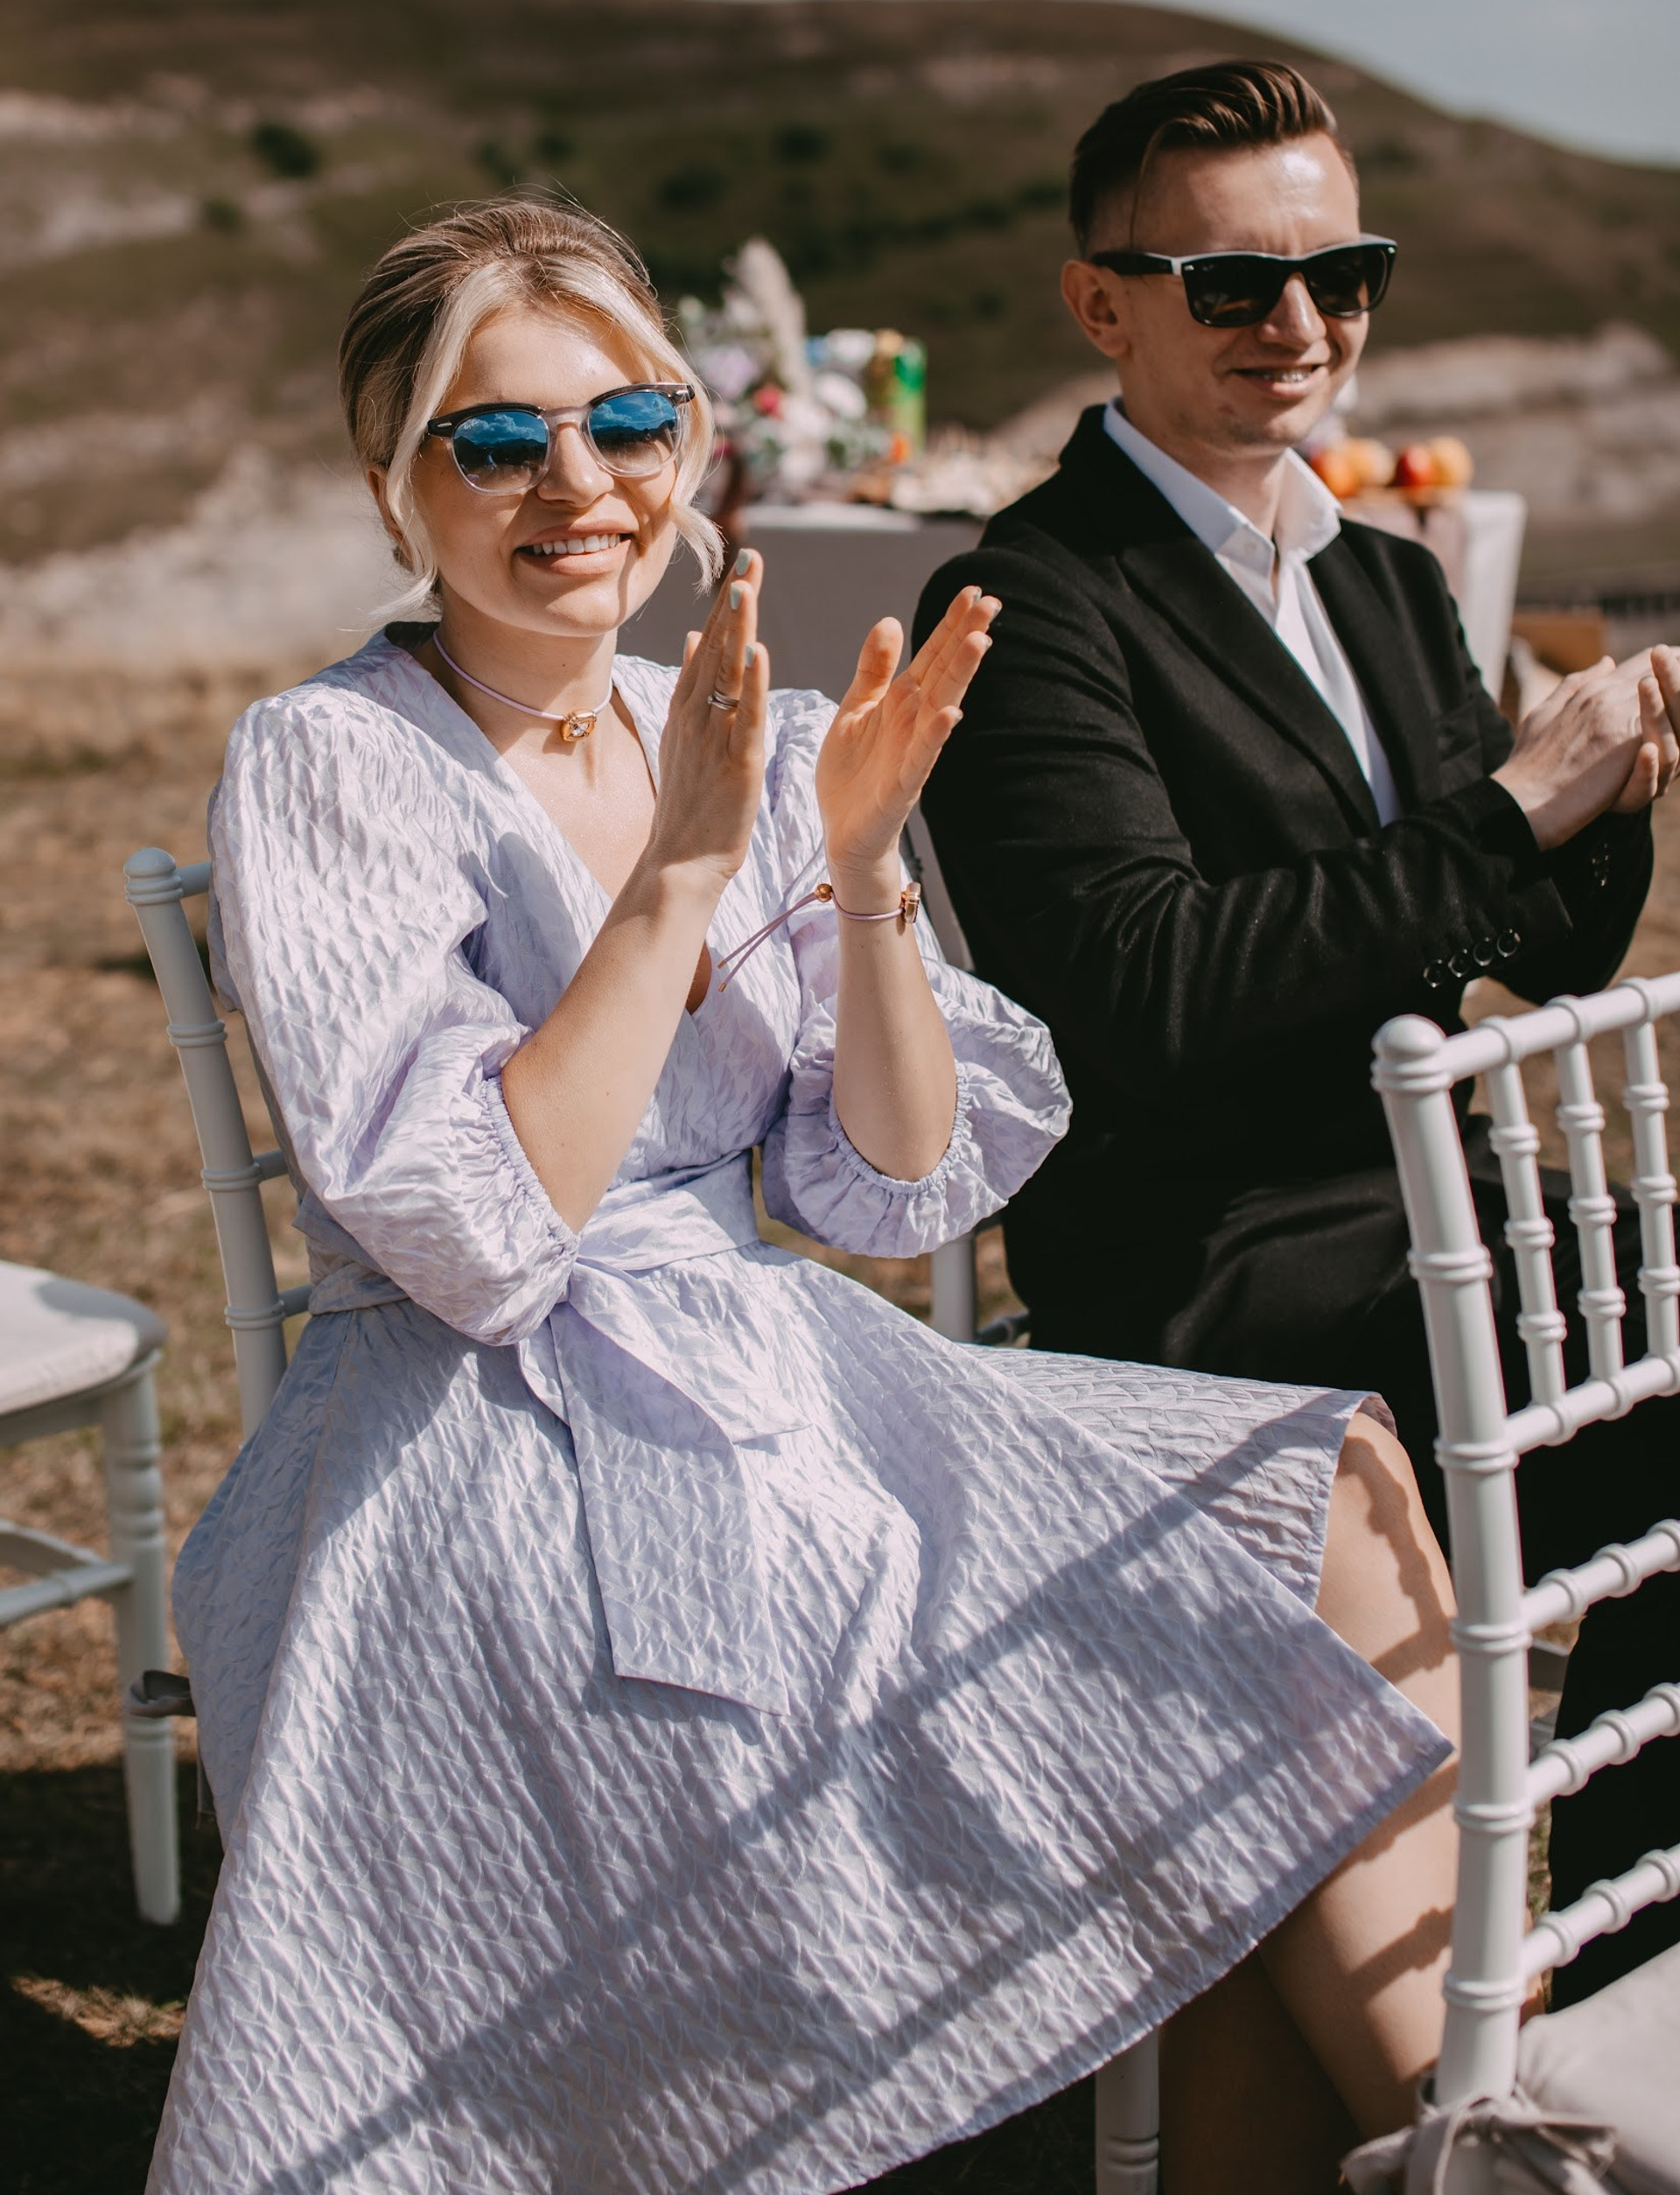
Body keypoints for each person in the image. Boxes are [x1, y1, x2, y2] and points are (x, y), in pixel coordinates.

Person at [151, 197, 1461, 2195]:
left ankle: (1466, 2127)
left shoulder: (735, 722)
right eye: (494, 444)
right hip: (481, 1439)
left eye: (627, 424)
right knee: (1178, 1691)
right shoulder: (328, 762)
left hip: (786, 1361)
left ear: (696, 443)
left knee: (1340, 1495)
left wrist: (855, 875)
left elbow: (892, 1190)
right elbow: (478, 1237)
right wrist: (674, 878)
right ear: (390, 486)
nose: (575, 488)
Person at [914, 58, 1680, 2009]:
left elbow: (1503, 948)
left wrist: (1610, 801)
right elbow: (1148, 993)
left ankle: (1603, 1953)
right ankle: (1555, 1998)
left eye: (1347, 273)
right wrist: (1514, 811)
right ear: (1104, 304)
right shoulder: (1023, 600)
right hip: (1217, 1255)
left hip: (1446, 1203)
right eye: (1235, 283)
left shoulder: (1393, 581)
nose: (1305, 325)